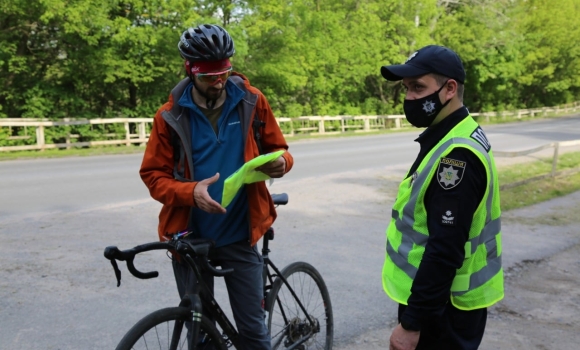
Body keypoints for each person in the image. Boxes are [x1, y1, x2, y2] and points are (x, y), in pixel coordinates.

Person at [139, 24, 293, 349]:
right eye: (209, 76)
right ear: (190, 70)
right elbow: (153, 176)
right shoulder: (169, 117)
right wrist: (190, 192)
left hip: (240, 232)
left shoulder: (252, 101)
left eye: (224, 72)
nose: (218, 81)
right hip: (191, 238)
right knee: (201, 333)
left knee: (253, 332)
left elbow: (280, 150)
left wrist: (281, 164)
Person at [380, 45, 504, 350]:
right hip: (442, 306)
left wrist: (412, 324)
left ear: (450, 89)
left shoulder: (457, 157)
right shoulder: (456, 134)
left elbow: (444, 250)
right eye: (407, 89)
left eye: (418, 87)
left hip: (442, 313)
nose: (409, 98)